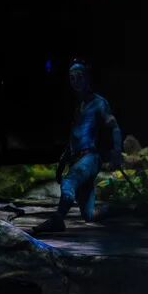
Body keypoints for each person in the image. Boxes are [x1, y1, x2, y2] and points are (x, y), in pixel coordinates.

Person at [31, 59, 123, 235]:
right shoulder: (78, 106)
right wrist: (63, 161)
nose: (75, 81)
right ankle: (132, 210)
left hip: (90, 157)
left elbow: (114, 127)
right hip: (77, 158)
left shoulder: (98, 102)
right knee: (89, 215)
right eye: (72, 78)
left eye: (79, 77)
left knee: (69, 182)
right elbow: (76, 137)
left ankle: (58, 219)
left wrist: (117, 152)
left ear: (87, 78)